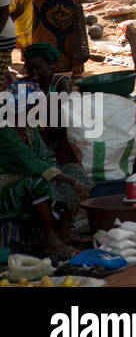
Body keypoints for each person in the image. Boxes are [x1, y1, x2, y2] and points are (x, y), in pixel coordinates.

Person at [0, 91, 91, 256]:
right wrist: (69, 181)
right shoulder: (4, 131)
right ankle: (50, 240)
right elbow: (31, 163)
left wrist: (64, 178)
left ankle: (64, 231)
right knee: (37, 182)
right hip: (6, 191)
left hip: (31, 177)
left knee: (74, 170)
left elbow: (46, 157)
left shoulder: (29, 129)